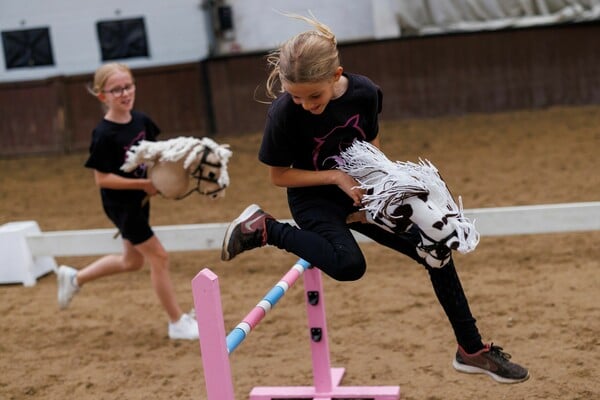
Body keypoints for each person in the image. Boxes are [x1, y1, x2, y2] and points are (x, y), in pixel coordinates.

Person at [221, 13, 529, 383]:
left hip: (361, 192)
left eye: (313, 96)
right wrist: (336, 177)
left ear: (337, 76)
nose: (304, 104)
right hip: (312, 200)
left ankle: (471, 349)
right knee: (349, 265)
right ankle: (267, 229)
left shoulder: (365, 92)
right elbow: (278, 176)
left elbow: (370, 146)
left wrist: (376, 193)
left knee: (435, 248)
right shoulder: (284, 113)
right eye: (296, 96)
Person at [56, 62, 198, 340]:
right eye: (116, 89)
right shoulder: (103, 134)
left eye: (128, 86)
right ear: (103, 96)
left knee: (132, 262)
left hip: (140, 202)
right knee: (159, 256)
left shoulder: (142, 121)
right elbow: (103, 179)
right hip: (121, 207)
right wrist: (144, 184)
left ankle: (74, 278)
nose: (124, 93)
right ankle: (177, 323)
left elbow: (157, 155)